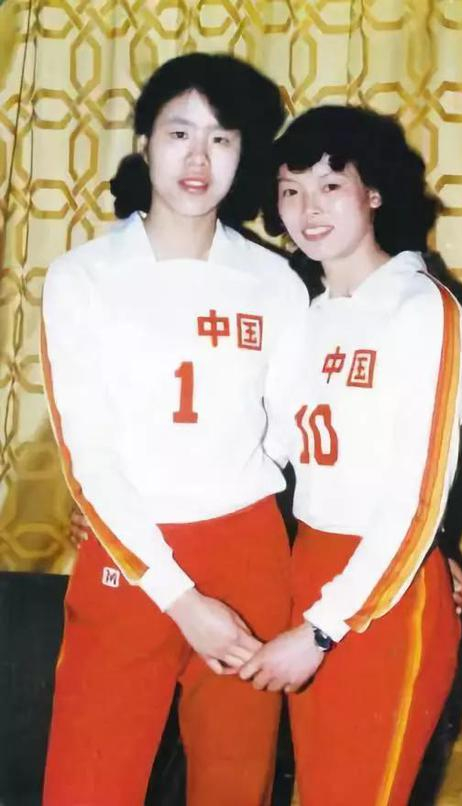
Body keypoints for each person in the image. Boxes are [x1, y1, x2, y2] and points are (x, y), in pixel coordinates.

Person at [40, 53, 309, 806]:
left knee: (235, 780)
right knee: (89, 783)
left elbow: (296, 437)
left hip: (249, 548)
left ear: (242, 155)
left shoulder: (274, 282)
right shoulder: (84, 277)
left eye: (221, 139)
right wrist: (182, 599)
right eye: (179, 133)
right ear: (144, 143)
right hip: (133, 551)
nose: (198, 158)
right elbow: (89, 454)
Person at [239, 105, 462, 806]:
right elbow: (261, 450)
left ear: (373, 191)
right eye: (290, 190)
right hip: (311, 568)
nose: (307, 209)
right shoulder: (307, 317)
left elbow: (415, 501)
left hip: (380, 602)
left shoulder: (421, 310)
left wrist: (320, 631)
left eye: (330, 186)